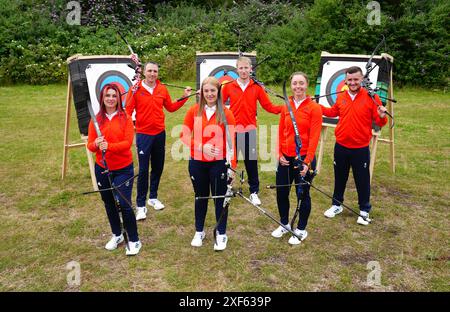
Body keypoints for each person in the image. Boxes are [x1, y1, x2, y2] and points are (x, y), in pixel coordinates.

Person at [125, 60, 192, 221]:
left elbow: (170, 107)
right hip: (143, 135)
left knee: (158, 167)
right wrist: (129, 130)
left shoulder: (162, 89)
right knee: (143, 170)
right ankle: (140, 205)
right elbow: (127, 111)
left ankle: (153, 197)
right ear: (144, 72)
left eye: (155, 71)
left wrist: (184, 97)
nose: (152, 74)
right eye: (149, 71)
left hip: (159, 134)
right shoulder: (135, 89)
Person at [321, 66, 388, 225]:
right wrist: (316, 106)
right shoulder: (342, 96)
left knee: (362, 180)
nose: (352, 82)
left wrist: (382, 116)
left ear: (362, 79)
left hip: (360, 148)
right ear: (345, 80)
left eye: (356, 79)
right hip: (341, 146)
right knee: (340, 178)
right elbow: (333, 112)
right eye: (349, 80)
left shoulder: (372, 97)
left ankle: (364, 210)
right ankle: (337, 205)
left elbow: (380, 122)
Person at [180, 77, 236, 251]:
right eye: (206, 91)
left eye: (213, 90)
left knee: (220, 197)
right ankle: (199, 231)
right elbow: (184, 135)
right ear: (202, 93)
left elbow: (231, 142)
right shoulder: (193, 111)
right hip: (197, 163)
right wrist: (201, 147)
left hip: (219, 164)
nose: (210, 94)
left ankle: (221, 232)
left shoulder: (226, 113)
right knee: (200, 197)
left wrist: (232, 167)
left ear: (218, 92)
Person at [87, 83, 141, 255]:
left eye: (113, 96)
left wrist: (108, 146)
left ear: (118, 98)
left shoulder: (125, 117)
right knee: (109, 203)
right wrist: (96, 144)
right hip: (102, 168)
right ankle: (117, 234)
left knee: (124, 204)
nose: (110, 99)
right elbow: (90, 145)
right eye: (107, 96)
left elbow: (126, 144)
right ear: (102, 99)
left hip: (123, 168)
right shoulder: (96, 119)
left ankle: (134, 239)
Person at [222, 56, 282, 206]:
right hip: (232, 130)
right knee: (230, 161)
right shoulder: (229, 86)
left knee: (251, 162)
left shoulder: (256, 87)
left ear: (251, 69)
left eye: (246, 68)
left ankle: (254, 191)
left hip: (249, 130)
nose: (243, 71)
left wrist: (287, 107)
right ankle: (227, 188)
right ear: (237, 70)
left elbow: (269, 106)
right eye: (240, 68)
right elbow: (218, 103)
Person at [271, 72, 322, 245]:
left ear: (307, 85)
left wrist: (307, 161)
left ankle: (301, 228)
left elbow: (315, 137)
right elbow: (280, 132)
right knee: (282, 192)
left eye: (301, 83)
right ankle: (284, 223)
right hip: (285, 158)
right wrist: (279, 154)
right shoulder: (287, 105)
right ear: (291, 86)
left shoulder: (314, 108)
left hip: (303, 159)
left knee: (303, 194)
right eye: (294, 83)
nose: (297, 86)